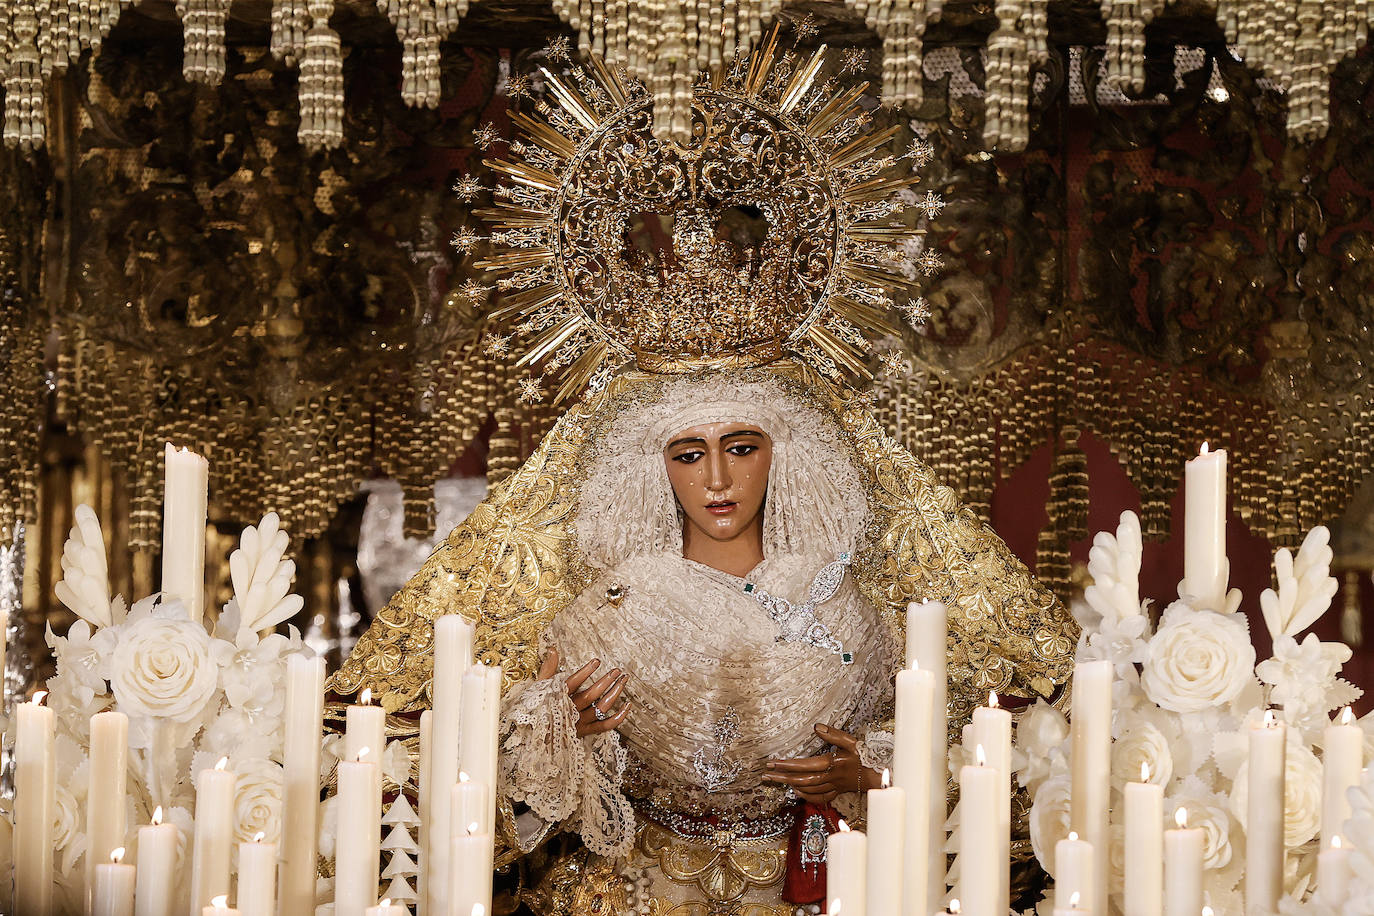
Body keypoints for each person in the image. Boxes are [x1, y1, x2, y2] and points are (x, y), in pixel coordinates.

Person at [329, 34, 1077, 916]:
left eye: (743, 446)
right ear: (653, 470)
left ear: (784, 454)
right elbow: (464, 808)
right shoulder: (595, 613)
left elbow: (985, 778)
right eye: (688, 453)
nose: (718, 477)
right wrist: (562, 740)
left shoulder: (849, 610)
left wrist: (865, 775)